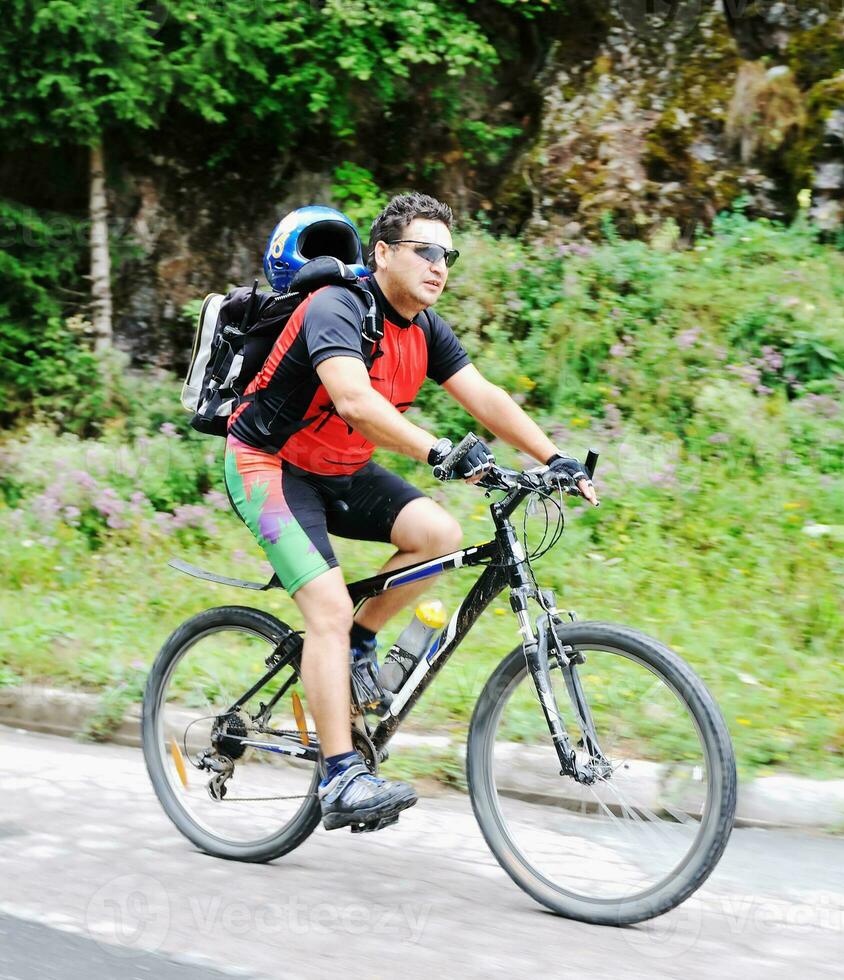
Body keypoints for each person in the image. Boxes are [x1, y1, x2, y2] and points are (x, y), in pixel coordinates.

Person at [223, 192, 597, 832]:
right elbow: (354, 402)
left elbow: (485, 397)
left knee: (440, 534)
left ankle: (359, 649)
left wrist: (555, 456)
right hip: (270, 468)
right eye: (424, 251)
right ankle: (340, 776)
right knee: (329, 608)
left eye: (447, 254)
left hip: (340, 470)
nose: (439, 265)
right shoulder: (337, 307)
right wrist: (437, 451)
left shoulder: (424, 329)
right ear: (383, 254)